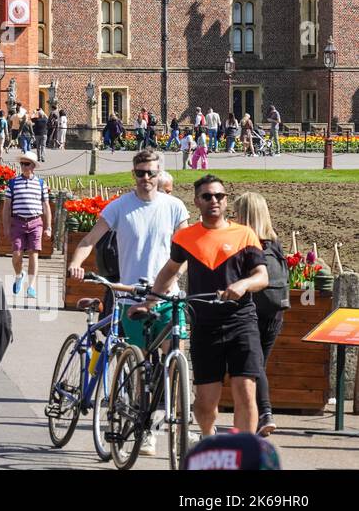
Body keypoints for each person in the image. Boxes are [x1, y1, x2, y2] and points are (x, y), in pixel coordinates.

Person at [67, 148, 189, 455]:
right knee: (140, 365)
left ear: (160, 173)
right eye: (140, 173)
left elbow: (185, 251)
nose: (146, 178)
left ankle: (174, 419)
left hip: (166, 297)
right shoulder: (120, 207)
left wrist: (174, 277)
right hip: (130, 296)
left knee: (176, 358)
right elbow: (88, 240)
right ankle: (144, 427)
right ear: (133, 174)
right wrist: (77, 262)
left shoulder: (175, 207)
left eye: (151, 172)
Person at [147, 175, 268, 436]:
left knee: (245, 390)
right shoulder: (185, 237)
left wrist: (243, 285)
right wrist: (150, 302)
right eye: (207, 196)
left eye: (219, 196)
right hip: (204, 324)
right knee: (204, 403)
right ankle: (208, 440)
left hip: (241, 321)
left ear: (226, 201)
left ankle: (243, 452)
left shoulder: (244, 234)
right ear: (197, 202)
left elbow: (262, 276)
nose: (214, 200)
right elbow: (169, 270)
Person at [229, 192, 289, 437]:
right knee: (258, 364)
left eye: (235, 213)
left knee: (254, 366)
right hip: (275, 312)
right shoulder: (274, 242)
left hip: (250, 310)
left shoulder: (243, 243)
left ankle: (264, 413)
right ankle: (257, 416)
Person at [6, 151, 52, 300]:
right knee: (16, 255)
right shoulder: (12, 183)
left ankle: (31, 286)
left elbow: (46, 206)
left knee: (34, 254)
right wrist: (5, 226)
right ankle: (19, 275)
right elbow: (6, 206)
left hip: (35, 221)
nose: (24, 166)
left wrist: (48, 227)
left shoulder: (40, 183)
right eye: (22, 163)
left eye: (27, 164)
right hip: (18, 221)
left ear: (33, 166)